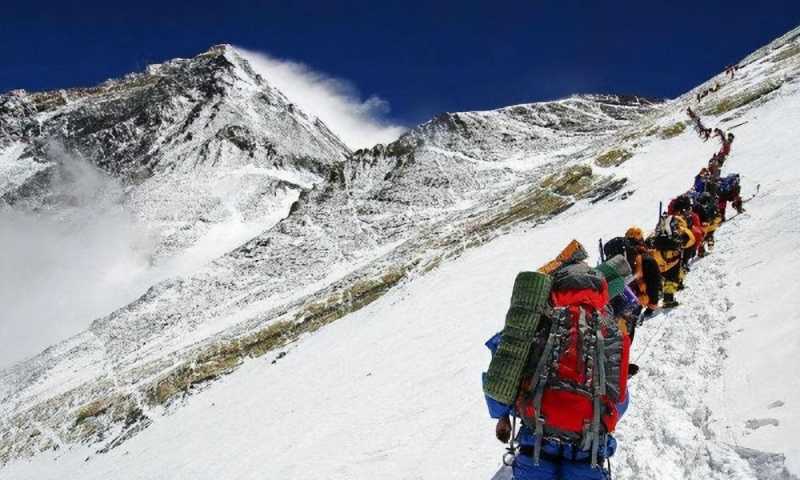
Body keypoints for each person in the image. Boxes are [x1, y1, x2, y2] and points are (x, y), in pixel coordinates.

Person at [484, 241, 631, 480]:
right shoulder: (611, 331)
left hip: (537, 439)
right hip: (587, 446)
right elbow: (619, 397)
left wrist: (501, 415)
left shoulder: (540, 321)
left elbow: (506, 364)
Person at [649, 214, 694, 308]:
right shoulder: (678, 233)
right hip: (672, 260)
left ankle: (664, 292)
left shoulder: (657, 234)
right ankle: (668, 300)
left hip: (658, 260)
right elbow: (690, 240)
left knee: (665, 277)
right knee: (672, 278)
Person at [623, 227, 661, 317]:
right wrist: (653, 304)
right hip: (642, 296)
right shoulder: (646, 258)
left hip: (628, 297)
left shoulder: (625, 256)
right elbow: (654, 282)